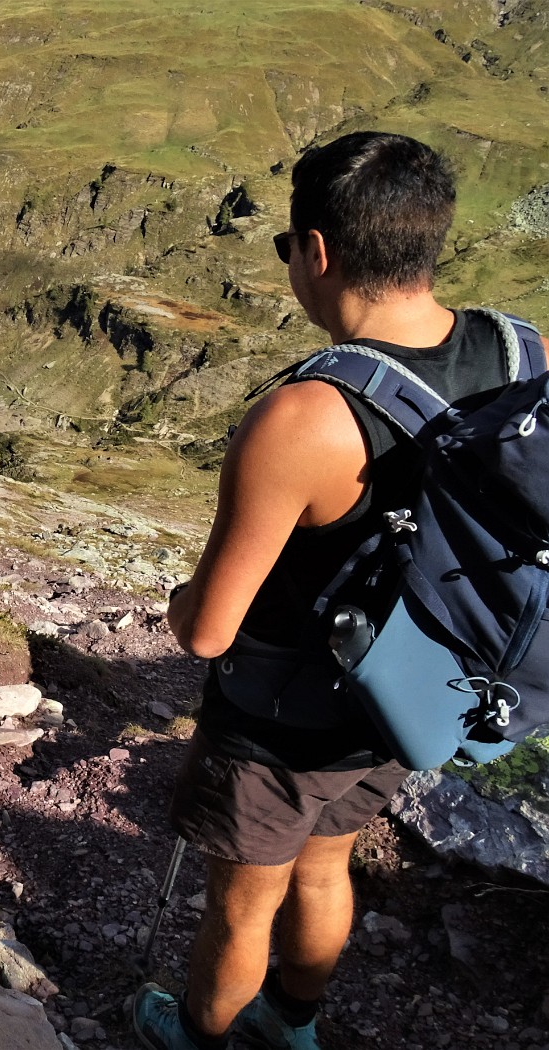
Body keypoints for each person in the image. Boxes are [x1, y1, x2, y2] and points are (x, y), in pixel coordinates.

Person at [132, 131, 518, 1049]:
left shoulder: (307, 416)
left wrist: (181, 603)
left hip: (283, 718)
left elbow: (208, 632)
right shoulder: (523, 351)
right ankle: (293, 1028)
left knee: (244, 902)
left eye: (287, 248)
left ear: (316, 250)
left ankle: (196, 1036)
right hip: (415, 699)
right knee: (327, 866)